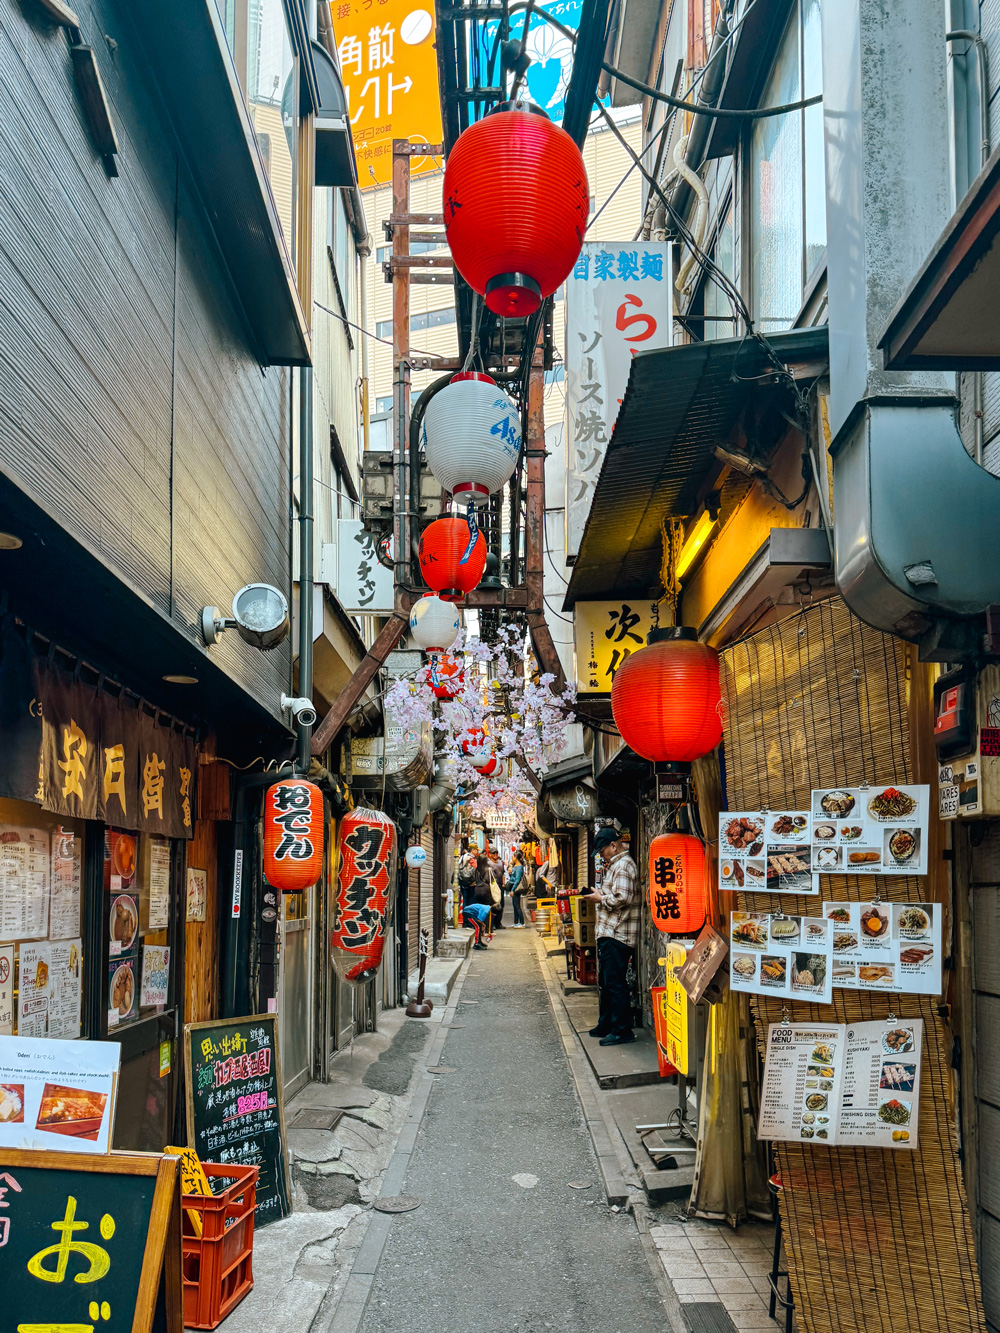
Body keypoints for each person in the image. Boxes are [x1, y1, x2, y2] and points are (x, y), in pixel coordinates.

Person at [579, 826, 639, 1046]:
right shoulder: (617, 865)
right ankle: (606, 1024)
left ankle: (622, 1030)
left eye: (603, 850)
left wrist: (599, 899)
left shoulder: (623, 866)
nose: (602, 855)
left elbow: (622, 898)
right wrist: (599, 894)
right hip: (611, 932)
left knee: (615, 983)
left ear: (613, 846)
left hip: (618, 933)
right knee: (606, 982)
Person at [487, 845, 506, 929]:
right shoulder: (488, 863)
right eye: (493, 853)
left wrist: (503, 883)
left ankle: (498, 923)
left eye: (496, 853)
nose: (495, 854)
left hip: (499, 885)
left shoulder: (500, 862)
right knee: (493, 904)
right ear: (490, 854)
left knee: (501, 904)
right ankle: (492, 923)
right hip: (492, 885)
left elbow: (502, 873)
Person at [506, 852, 526, 927]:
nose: (512, 858)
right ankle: (516, 922)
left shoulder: (519, 867)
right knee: (515, 905)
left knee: (517, 905)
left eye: (513, 856)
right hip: (513, 886)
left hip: (516, 888)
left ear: (516, 857)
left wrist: (513, 890)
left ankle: (522, 922)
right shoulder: (516, 866)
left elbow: (517, 880)